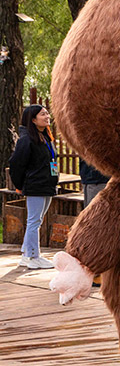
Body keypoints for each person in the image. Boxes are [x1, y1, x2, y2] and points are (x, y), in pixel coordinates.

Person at [8, 105, 59, 270]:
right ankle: (34, 256)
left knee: (37, 221)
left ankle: (26, 254)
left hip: (47, 185)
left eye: (47, 113)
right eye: (43, 114)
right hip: (35, 185)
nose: (47, 116)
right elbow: (16, 163)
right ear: (33, 119)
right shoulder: (27, 139)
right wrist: (20, 185)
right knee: (34, 221)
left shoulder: (45, 137)